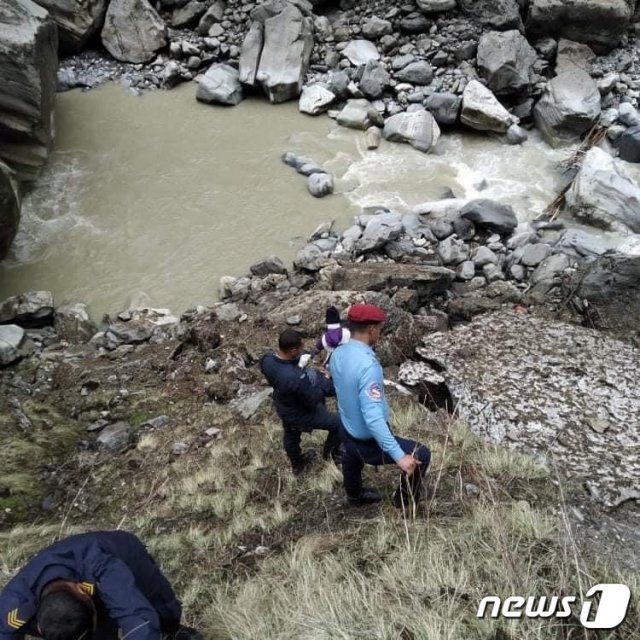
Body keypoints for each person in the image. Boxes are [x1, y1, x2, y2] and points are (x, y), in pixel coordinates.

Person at [0, 530, 202, 640]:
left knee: (162, 611)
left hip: (126, 557)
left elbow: (138, 618)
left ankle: (173, 630)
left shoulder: (104, 567)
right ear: (41, 629)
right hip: (81, 603)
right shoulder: (13, 605)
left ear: (82, 591)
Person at [329, 304, 431, 507]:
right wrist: (399, 457)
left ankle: (355, 495)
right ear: (372, 330)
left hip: (347, 425)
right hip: (366, 439)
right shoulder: (368, 365)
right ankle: (404, 502)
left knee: (351, 457)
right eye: (379, 328)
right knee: (422, 454)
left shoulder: (338, 352)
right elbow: (373, 417)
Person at [260, 328, 343, 474]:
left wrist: (299, 362)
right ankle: (329, 454)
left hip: (284, 407)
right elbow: (313, 399)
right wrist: (325, 380)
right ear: (292, 350)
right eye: (300, 348)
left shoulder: (267, 360)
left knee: (291, 434)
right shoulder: (295, 378)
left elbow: (282, 369)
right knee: (339, 424)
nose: (303, 349)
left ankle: (297, 464)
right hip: (301, 413)